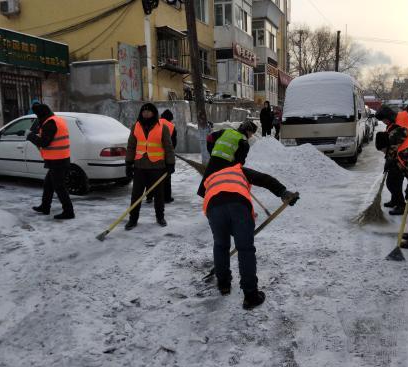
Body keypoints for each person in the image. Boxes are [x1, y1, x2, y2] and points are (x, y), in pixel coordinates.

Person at [198, 159, 299, 310]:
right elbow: (264, 179)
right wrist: (282, 192)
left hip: (213, 207)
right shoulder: (238, 170)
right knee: (245, 249)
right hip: (238, 205)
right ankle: (251, 296)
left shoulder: (211, 177)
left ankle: (224, 285)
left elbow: (210, 196)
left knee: (221, 245)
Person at [125, 103, 175, 230]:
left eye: (148, 111)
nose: (145, 113)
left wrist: (170, 164)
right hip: (140, 166)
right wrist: (128, 163)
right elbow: (131, 146)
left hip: (157, 166)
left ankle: (160, 217)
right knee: (136, 195)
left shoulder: (162, 127)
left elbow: (168, 147)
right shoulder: (135, 126)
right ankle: (133, 219)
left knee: (159, 195)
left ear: (154, 113)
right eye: (143, 111)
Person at [26, 103, 75, 220]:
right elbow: (50, 137)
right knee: (48, 184)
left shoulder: (50, 123)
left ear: (41, 114)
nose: (37, 117)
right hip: (59, 159)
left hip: (58, 161)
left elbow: (44, 142)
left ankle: (69, 212)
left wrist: (31, 136)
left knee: (59, 187)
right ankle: (45, 207)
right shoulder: (56, 120)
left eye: (37, 115)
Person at [375, 105, 408, 215]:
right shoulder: (396, 120)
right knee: (395, 181)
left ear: (389, 116)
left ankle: (401, 205)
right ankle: (395, 200)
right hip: (399, 154)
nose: (383, 122)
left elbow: (396, 145)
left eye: (384, 120)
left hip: (403, 157)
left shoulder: (399, 125)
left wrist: (389, 159)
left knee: (392, 183)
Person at [147, 109, 178, 204]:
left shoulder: (154, 123)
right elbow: (173, 144)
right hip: (164, 156)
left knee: (151, 176)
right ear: (170, 119)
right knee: (166, 176)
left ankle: (149, 196)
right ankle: (166, 198)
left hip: (150, 154)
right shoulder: (171, 126)